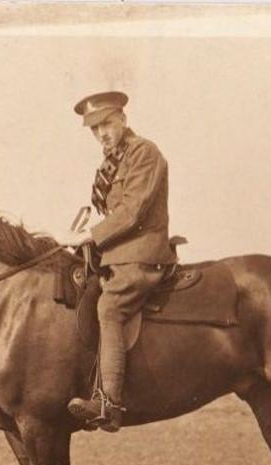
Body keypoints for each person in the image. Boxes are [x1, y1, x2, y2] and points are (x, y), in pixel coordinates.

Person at [66, 91, 177, 432]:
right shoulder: (111, 162)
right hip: (116, 255)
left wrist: (92, 235)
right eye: (94, 129)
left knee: (110, 309)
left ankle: (109, 402)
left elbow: (132, 211)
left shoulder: (144, 153)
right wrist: (83, 226)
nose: (102, 133)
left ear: (123, 120)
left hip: (140, 255)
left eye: (107, 124)